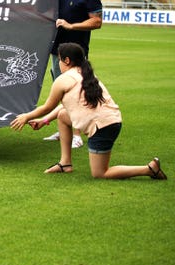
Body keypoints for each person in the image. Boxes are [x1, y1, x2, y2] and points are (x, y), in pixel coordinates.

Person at [10, 43, 166, 180]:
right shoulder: (86, 74)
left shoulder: (63, 80)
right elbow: (64, 107)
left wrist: (26, 117)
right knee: (64, 116)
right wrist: (44, 121)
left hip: (103, 127)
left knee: (100, 173)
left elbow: (47, 107)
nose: (58, 64)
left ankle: (149, 169)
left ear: (67, 61)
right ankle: (65, 163)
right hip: (111, 121)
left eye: (59, 59)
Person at [45, 0, 103, 148]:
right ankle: (64, 129)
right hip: (57, 50)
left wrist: (72, 26)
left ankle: (77, 134)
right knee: (61, 90)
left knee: (75, 91)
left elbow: (96, 21)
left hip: (76, 51)